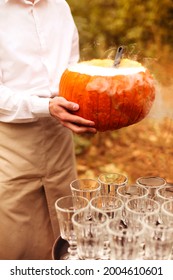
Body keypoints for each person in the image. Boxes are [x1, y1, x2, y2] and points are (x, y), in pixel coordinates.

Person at [0, 0, 97, 260]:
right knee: (17, 237)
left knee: (67, 233)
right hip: (12, 139)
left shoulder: (60, 6)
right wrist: (44, 106)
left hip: (59, 134)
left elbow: (71, 69)